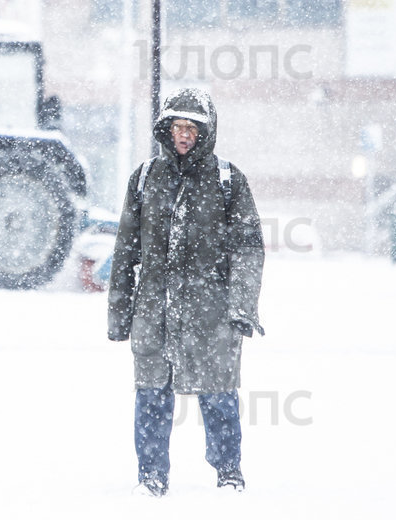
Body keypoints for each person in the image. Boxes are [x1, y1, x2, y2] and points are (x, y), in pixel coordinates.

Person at [107, 87, 265, 497]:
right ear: (165, 129)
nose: (183, 135)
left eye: (192, 128)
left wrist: (242, 307)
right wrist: (120, 315)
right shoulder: (143, 179)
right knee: (152, 397)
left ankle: (229, 473)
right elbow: (125, 250)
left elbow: (248, 248)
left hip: (211, 315)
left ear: (205, 132)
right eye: (177, 126)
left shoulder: (229, 181)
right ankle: (151, 477)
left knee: (218, 397)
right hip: (154, 312)